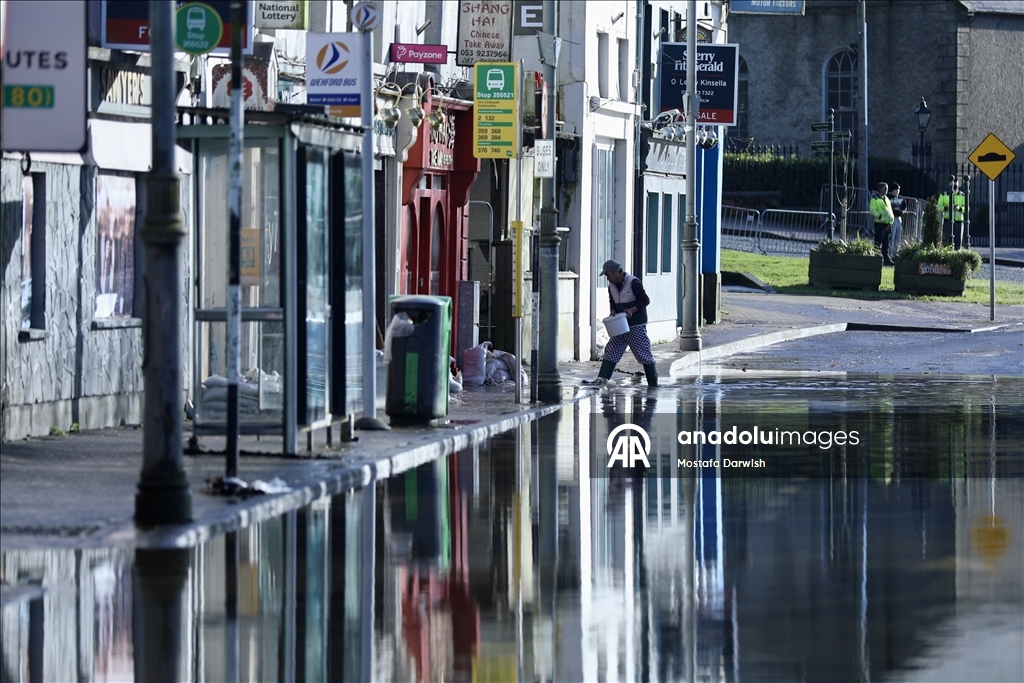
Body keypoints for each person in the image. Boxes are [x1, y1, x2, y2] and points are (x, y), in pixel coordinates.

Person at [592, 260, 658, 386]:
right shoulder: (611, 286)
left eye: (608, 275)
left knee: (643, 352)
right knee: (611, 349)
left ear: (616, 271)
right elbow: (612, 301)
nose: (608, 278)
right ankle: (602, 379)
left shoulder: (633, 282)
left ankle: (653, 384)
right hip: (620, 324)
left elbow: (645, 300)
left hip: (636, 324)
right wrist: (612, 310)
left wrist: (632, 310)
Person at [869, 182, 895, 266]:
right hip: (880, 224)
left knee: (886, 243)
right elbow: (872, 210)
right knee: (878, 243)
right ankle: (875, 259)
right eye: (885, 188)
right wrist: (879, 216)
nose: (886, 190)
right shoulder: (875, 198)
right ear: (880, 189)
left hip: (887, 224)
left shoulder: (886, 199)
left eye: (887, 188)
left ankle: (886, 259)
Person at [936, 175, 966, 249]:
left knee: (958, 243)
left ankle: (956, 256)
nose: (955, 189)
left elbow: (966, 208)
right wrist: (946, 208)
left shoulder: (962, 195)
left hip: (958, 221)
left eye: (956, 187)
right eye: (953, 187)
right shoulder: (944, 194)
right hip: (947, 221)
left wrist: (959, 208)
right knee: (946, 243)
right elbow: (938, 207)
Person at [887, 182, 906, 262]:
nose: (897, 191)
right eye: (896, 189)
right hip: (893, 218)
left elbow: (904, 207)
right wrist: (895, 212)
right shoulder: (889, 198)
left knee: (898, 237)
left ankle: (895, 254)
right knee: (892, 236)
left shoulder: (901, 198)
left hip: (899, 218)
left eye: (898, 189)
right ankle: (890, 254)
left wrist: (902, 211)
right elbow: (889, 207)